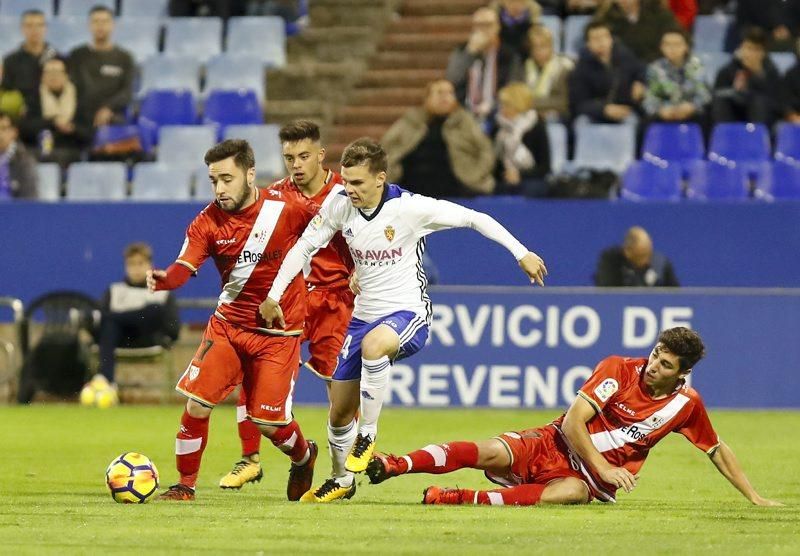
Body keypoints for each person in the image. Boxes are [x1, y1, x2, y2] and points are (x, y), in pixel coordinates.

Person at [259, 137, 547, 502]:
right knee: (338, 411)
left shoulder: (412, 208)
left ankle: (368, 434)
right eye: (346, 182)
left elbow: (475, 218)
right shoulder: (339, 204)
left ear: (380, 178)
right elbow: (304, 248)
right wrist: (272, 295)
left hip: (408, 313)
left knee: (374, 346)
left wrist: (521, 253)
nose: (350, 190)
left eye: (358, 183)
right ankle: (341, 479)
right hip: (364, 316)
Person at [365, 327, 783, 508]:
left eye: (666, 363)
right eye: (656, 354)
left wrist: (754, 497)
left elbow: (715, 449)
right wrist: (604, 463)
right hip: (555, 442)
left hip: (587, 481)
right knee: (489, 451)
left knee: (570, 495)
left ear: (682, 373)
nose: (654, 365)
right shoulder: (618, 368)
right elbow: (572, 423)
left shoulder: (685, 406)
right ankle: (396, 463)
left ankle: (459, 498)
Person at [146, 139, 320, 501]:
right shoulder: (207, 222)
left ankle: (304, 457)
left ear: (250, 174)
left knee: (269, 423)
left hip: (278, 334)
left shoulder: (287, 209)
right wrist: (166, 280)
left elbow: (329, 232)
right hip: (229, 326)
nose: (220, 189)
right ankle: (184, 485)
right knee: (197, 403)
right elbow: (184, 264)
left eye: (227, 179)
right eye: (214, 181)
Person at [218, 120, 355, 490]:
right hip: (287, 299)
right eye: (288, 157)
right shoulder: (275, 196)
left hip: (335, 299)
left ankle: (342, 470)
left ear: (321, 156)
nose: (296, 164)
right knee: (252, 366)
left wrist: (361, 272)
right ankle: (249, 459)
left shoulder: (345, 193)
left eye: (304, 156)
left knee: (338, 386)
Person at [89, 242, 180, 398]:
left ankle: (104, 380)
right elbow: (97, 328)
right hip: (119, 339)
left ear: (150, 265)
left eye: (140, 263)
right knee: (110, 324)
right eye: (131, 264)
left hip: (149, 339)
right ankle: (107, 384)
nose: (136, 269)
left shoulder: (162, 292)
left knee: (153, 309)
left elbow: (173, 330)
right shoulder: (114, 290)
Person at [382, 79, 496, 198]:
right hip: (410, 192)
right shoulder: (411, 121)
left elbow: (486, 151)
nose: (445, 98)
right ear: (427, 98)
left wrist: (475, 176)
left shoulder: (465, 122)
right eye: (440, 93)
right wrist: (391, 173)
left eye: (450, 93)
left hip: (459, 190)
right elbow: (385, 149)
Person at [446, 7, 524, 129]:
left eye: (488, 25)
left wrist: (495, 108)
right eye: (479, 25)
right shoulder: (463, 51)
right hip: (465, 115)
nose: (483, 30)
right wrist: (469, 53)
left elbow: (514, 88)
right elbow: (452, 80)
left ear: (497, 27)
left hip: (499, 114)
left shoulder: (509, 55)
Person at [67, 6, 135, 130]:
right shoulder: (77, 55)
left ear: (113, 25)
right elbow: (70, 87)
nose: (100, 26)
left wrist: (108, 108)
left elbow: (127, 91)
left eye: (105, 21)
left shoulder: (125, 58)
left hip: (112, 117)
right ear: (89, 25)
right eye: (96, 21)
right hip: (80, 118)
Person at [19, 57, 92, 166]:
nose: (53, 76)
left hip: (70, 150)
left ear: (67, 75)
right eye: (48, 72)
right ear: (42, 77)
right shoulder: (32, 98)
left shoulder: (80, 98)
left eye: (57, 72)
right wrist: (52, 122)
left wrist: (73, 129)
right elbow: (24, 130)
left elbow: (89, 133)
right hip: (37, 150)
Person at [569, 21, 645, 124]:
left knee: (634, 121)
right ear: (588, 43)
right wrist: (604, 109)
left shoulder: (625, 56)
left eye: (605, 36)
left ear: (611, 39)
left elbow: (641, 71)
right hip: (594, 114)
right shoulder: (581, 68)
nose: (602, 42)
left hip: (625, 110)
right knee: (581, 122)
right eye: (596, 38)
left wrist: (639, 82)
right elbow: (578, 104)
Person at [711, 28, 783, 127]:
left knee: (758, 102)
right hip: (733, 111)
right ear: (740, 49)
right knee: (721, 102)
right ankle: (725, 136)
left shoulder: (771, 71)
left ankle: (756, 138)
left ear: (763, 53)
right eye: (748, 48)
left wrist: (757, 74)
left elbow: (776, 102)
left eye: (756, 49)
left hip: (761, 113)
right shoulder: (727, 70)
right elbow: (717, 93)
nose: (751, 54)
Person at [493, 82, 551, 196]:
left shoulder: (537, 126)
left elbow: (544, 167)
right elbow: (495, 163)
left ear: (517, 104)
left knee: (531, 189)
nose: (502, 109)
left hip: (531, 178)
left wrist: (519, 175)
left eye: (506, 104)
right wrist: (507, 174)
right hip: (505, 177)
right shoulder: (498, 127)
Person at [642, 29, 711, 124]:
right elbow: (650, 97)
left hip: (691, 113)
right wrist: (660, 110)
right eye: (667, 44)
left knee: (707, 116)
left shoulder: (696, 66)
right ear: (661, 47)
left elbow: (704, 95)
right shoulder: (654, 68)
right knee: (644, 122)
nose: (672, 48)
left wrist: (692, 106)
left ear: (686, 47)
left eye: (677, 44)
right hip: (664, 113)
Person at [0, 9, 58, 121]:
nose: (34, 30)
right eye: (29, 25)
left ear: (45, 28)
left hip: (53, 120)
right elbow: (6, 93)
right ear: (22, 29)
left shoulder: (58, 58)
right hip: (21, 121)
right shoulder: (10, 61)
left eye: (39, 25)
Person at [594, 0, 681, 63]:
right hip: (622, 71)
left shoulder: (658, 12)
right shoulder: (606, 18)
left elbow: (676, 37)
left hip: (658, 67)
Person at [594, 226, 679, 287]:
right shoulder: (611, 261)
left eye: (649, 253)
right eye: (642, 256)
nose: (647, 260)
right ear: (627, 252)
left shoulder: (660, 263)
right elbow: (607, 293)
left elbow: (676, 296)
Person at [524, 25, 575, 121]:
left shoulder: (565, 67)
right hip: (528, 115)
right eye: (534, 46)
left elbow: (563, 101)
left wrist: (530, 103)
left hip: (557, 116)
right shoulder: (524, 66)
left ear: (551, 45)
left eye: (543, 46)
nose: (538, 50)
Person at [735, 0, 800, 52]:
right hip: (761, 42)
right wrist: (768, 34)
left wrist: (791, 32)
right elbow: (743, 26)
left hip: (795, 40)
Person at [0, 111, 38, 199]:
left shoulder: (24, 161)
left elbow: (30, 197)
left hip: (15, 210)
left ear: (14, 132)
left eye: (3, 128)